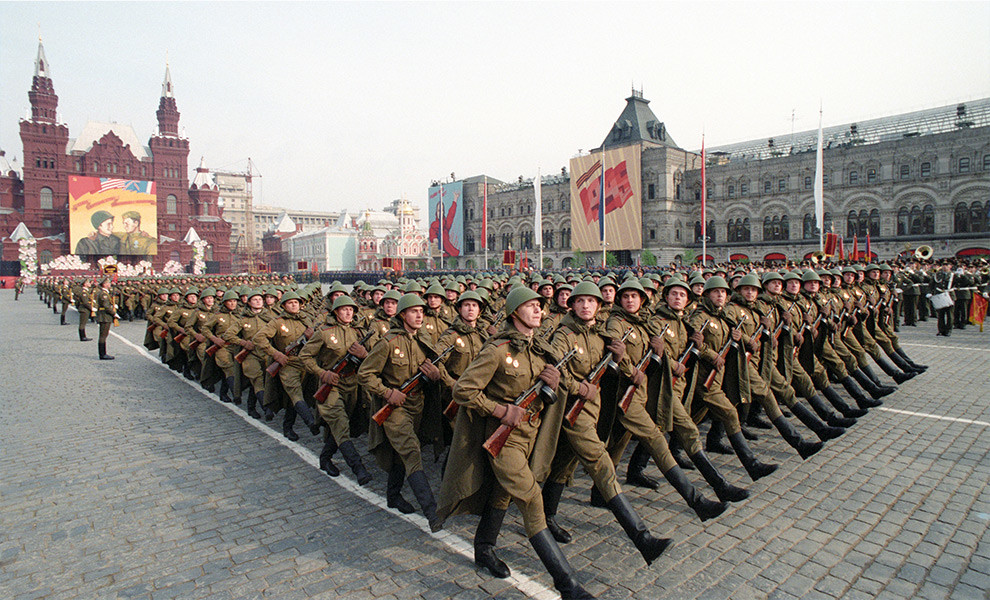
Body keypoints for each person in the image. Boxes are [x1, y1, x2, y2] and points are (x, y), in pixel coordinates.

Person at [439, 286, 594, 599]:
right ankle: (568, 585)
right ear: (513, 312)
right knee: (532, 498)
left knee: (503, 493)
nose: (538, 310)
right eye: (530, 306)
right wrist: (501, 410)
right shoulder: (498, 349)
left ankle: (483, 548)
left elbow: (552, 388)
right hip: (502, 439)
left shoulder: (541, 349)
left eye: (539, 306)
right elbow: (464, 391)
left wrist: (554, 381)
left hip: (529, 435)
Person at [541, 281, 674, 567]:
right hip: (569, 411)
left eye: (591, 301)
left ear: (599, 306)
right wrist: (578, 387)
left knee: (564, 462)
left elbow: (615, 364)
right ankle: (642, 538)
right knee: (602, 464)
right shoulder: (563, 335)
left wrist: (624, 362)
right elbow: (555, 372)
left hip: (591, 411)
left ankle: (547, 516)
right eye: (580, 301)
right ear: (572, 305)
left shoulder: (601, 335)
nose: (586, 306)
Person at [358, 293, 447, 532]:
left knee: (401, 453)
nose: (419, 315)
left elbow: (434, 370)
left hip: (416, 406)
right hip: (395, 407)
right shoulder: (388, 342)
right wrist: (387, 393)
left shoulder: (423, 341)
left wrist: (435, 376)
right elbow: (365, 374)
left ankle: (393, 495)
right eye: (413, 311)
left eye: (421, 311)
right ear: (402, 315)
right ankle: (431, 512)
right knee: (411, 451)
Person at [299, 295, 373, 485]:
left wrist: (365, 354)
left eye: (351, 310)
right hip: (331, 385)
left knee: (342, 425)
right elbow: (305, 356)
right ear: (336, 312)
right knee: (340, 424)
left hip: (352, 384)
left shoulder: (358, 332)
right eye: (344, 309)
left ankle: (325, 458)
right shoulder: (324, 332)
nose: (348, 313)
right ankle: (358, 468)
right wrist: (321, 373)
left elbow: (375, 357)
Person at [95, 277, 117, 360]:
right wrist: (114, 313)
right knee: (103, 335)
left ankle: (103, 353)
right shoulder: (103, 294)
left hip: (105, 315)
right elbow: (106, 306)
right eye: (108, 283)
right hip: (104, 316)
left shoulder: (105, 292)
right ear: (104, 284)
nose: (110, 284)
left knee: (104, 334)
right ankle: (102, 354)